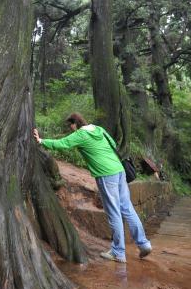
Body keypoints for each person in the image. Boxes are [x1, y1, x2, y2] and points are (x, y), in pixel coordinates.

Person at [33, 112, 152, 263]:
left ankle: (118, 252)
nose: (71, 130)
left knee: (113, 212)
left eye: (71, 127)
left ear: (74, 124)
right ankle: (144, 244)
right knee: (127, 208)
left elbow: (63, 144)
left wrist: (41, 140)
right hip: (119, 170)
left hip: (105, 174)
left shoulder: (81, 135)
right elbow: (113, 145)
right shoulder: (98, 129)